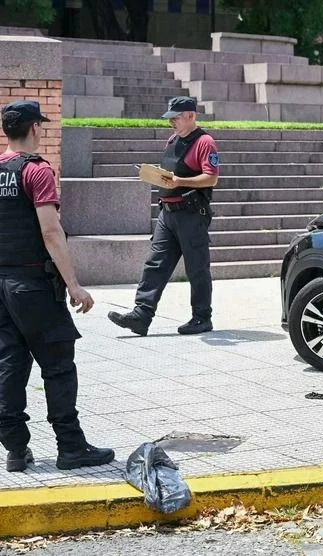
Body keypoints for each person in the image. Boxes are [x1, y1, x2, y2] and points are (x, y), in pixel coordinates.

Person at [0, 100, 114, 472]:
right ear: (35, 128)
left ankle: (16, 449)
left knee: (10, 364)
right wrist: (75, 285)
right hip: (33, 285)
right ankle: (70, 447)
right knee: (59, 365)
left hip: (2, 285)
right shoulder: (36, 171)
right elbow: (51, 232)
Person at [108, 96, 219, 336]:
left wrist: (181, 181)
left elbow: (211, 177)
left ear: (191, 115)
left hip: (191, 214)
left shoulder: (204, 142)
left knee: (197, 268)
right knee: (154, 265)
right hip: (167, 214)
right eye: (170, 118)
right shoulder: (173, 139)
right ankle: (141, 315)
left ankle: (202, 318)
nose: (172, 123)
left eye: (176, 118)